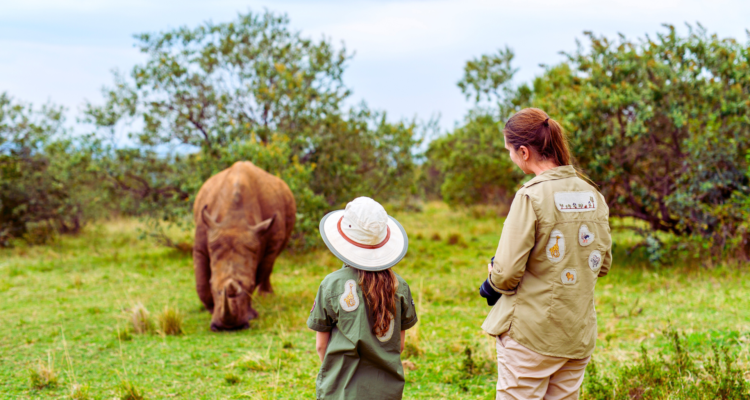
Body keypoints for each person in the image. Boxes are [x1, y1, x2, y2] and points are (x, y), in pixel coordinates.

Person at [482, 108, 612, 400]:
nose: (510, 157)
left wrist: (491, 282)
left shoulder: (531, 195)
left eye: (510, 151)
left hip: (531, 334)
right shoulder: (593, 195)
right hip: (577, 333)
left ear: (524, 152)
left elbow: (506, 272)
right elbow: (602, 265)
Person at [308, 197, 418, 400]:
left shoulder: (331, 284)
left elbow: (321, 346)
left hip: (340, 391)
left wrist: (335, 373)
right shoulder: (400, 286)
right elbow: (399, 345)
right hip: (387, 392)